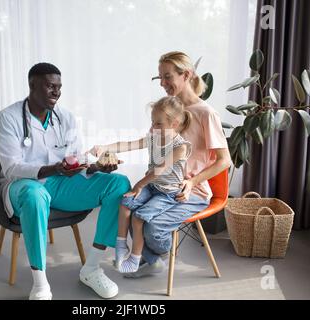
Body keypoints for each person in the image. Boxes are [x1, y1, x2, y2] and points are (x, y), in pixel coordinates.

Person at [0, 63, 131, 300]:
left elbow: (76, 158)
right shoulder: (8, 117)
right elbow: (11, 167)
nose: (56, 92)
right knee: (35, 196)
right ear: (32, 85)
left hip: (61, 183)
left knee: (118, 184)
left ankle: (92, 268)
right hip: (23, 185)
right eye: (50, 86)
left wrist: (97, 166)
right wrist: (53, 168)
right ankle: (40, 282)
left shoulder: (65, 117)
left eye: (59, 87)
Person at [98, 51, 231, 278]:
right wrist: (106, 148)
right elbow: (144, 140)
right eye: (160, 77)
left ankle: (154, 258)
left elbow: (224, 161)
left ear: (186, 75)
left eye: (167, 77)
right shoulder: (169, 109)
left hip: (191, 192)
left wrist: (192, 182)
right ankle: (149, 259)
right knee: (129, 203)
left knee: (150, 225)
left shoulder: (207, 114)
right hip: (160, 185)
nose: (162, 83)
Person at [89, 96, 195, 274]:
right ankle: (121, 245)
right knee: (125, 203)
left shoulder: (180, 147)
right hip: (152, 186)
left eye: (158, 124)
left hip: (168, 193)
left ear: (174, 124)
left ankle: (136, 258)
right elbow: (129, 145)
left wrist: (138, 185)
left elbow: (159, 170)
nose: (153, 127)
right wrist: (105, 147)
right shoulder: (154, 137)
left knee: (138, 217)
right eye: (153, 122)